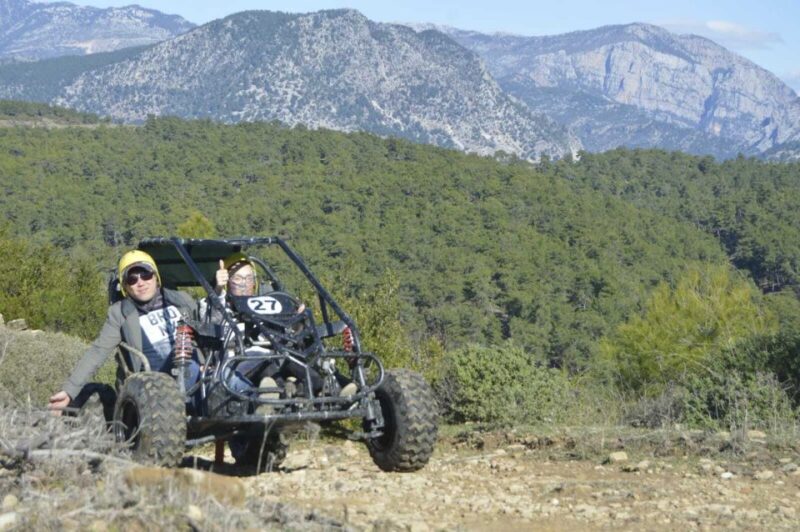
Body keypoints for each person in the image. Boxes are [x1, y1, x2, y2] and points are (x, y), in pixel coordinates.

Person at [48, 250, 201, 415]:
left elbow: (209, 327)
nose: (140, 283)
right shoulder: (120, 313)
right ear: (125, 286)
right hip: (152, 385)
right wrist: (69, 391)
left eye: (146, 275)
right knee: (187, 363)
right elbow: (98, 351)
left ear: (156, 277)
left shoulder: (181, 300)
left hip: (198, 375)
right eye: (132, 279)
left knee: (206, 370)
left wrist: (219, 289)